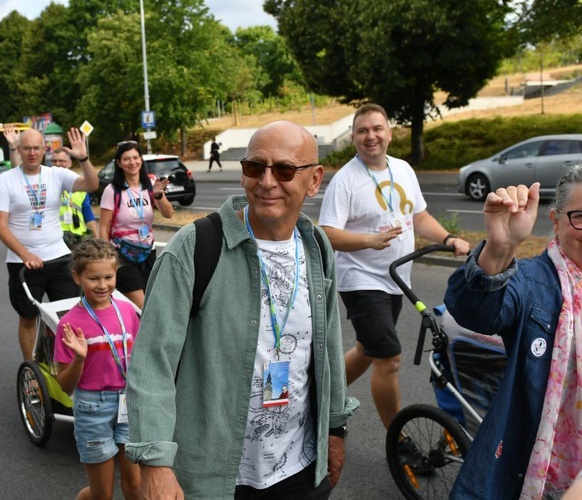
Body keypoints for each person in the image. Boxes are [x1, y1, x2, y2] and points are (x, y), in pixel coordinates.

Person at [125, 121, 358, 499]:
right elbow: (152, 363)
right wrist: (156, 463)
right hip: (215, 478)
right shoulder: (194, 247)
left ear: (314, 180)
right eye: (254, 167)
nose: (267, 181)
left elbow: (329, 344)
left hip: (300, 470)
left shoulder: (316, 245)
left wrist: (334, 429)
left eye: (283, 170)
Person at [317, 103, 469, 468]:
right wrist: (368, 241)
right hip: (359, 279)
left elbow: (418, 216)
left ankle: (322, 400)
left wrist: (448, 238)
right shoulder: (347, 180)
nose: (371, 136)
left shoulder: (402, 169)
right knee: (389, 356)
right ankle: (397, 439)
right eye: (362, 130)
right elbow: (327, 233)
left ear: (388, 132)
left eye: (377, 128)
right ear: (354, 137)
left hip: (396, 278)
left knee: (369, 350)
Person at [444, 168, 582, 498]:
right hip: (544, 469)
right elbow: (477, 311)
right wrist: (499, 247)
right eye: (580, 217)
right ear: (556, 219)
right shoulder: (536, 282)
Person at [0, 127, 99, 361]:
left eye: (36, 148)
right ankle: (32, 370)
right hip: (22, 263)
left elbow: (91, 185)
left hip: (59, 257)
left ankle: (63, 365)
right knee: (28, 317)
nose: (32, 153)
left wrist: (84, 158)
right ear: (19, 149)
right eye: (26, 148)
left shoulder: (56, 174)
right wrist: (24, 253)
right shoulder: (6, 180)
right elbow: (0, 225)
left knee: (66, 315)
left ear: (44, 150)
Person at [55, 239, 141, 500]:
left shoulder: (128, 311)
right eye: (93, 278)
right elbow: (65, 386)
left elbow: (139, 359)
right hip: (93, 407)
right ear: (77, 277)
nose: (103, 285)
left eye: (109, 276)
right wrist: (80, 359)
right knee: (102, 494)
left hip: (129, 401)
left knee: (136, 488)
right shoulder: (69, 324)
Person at [99, 141, 173, 311]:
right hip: (122, 254)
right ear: (118, 163)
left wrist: (158, 195)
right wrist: (107, 258)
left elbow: (169, 214)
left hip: (148, 251)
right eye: (126, 159)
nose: (132, 162)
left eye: (135, 157)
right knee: (142, 306)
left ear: (141, 159)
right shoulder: (112, 190)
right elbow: (104, 227)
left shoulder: (150, 185)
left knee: (152, 302)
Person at [50, 148, 99, 249]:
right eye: (54, 161)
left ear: (69, 163)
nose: (58, 164)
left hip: (78, 238)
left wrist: (97, 240)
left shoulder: (80, 185)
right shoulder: (47, 185)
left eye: (62, 161)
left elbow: (88, 215)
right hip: (56, 238)